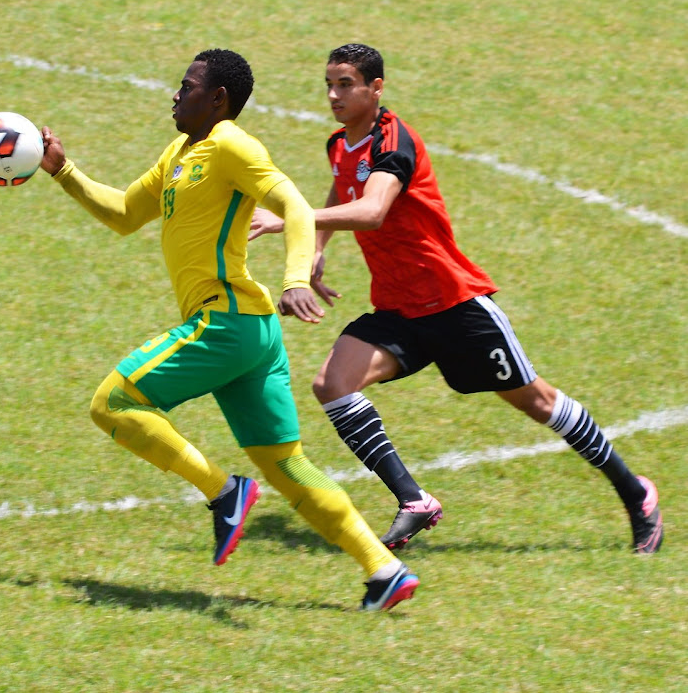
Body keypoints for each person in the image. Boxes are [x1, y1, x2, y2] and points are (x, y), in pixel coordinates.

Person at [39, 48, 420, 611]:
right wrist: (63, 171)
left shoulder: (231, 146)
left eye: (187, 85)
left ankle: (224, 492)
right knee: (288, 464)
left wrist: (296, 276)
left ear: (217, 99)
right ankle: (383, 569)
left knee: (114, 402)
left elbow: (290, 200)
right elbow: (123, 213)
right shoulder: (179, 151)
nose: (175, 93)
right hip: (250, 330)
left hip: (225, 321)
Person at [249, 43, 663, 555]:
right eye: (329, 84)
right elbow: (344, 188)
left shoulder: (393, 142)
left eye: (346, 84)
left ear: (376, 88)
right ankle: (414, 500)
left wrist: (292, 220)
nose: (334, 95)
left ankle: (635, 493)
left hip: (454, 304)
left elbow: (375, 209)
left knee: (537, 402)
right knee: (332, 384)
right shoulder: (340, 144)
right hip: (398, 310)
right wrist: (318, 248)